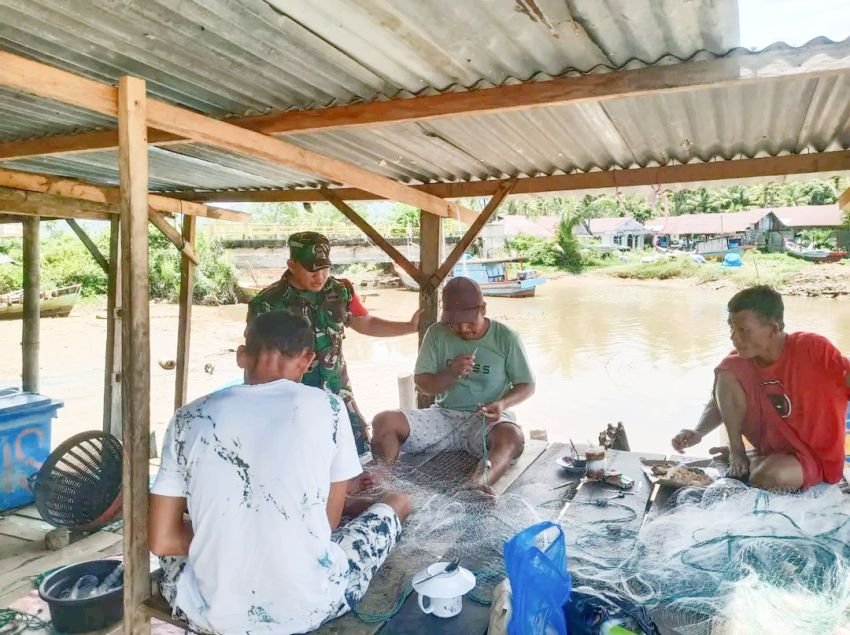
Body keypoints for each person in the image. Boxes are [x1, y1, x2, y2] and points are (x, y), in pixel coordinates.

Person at [150, 311, 412, 634]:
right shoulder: (329, 408)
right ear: (307, 359)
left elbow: (162, 540)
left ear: (241, 356)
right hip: (310, 606)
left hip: (212, 613)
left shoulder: (187, 418)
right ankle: (374, 505)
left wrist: (228, 538)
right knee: (398, 502)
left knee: (182, 535)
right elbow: (329, 524)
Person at [247, 231, 421, 454]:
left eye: (325, 267)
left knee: (356, 456)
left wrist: (408, 326)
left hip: (338, 394)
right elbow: (256, 360)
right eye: (312, 269)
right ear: (292, 264)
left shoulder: (340, 291)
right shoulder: (266, 304)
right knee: (297, 455)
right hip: (291, 399)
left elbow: (363, 322)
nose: (320, 276)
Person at [672, 285, 850, 490]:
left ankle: (752, 460)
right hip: (772, 451)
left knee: (769, 476)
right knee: (727, 369)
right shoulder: (739, 362)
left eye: (743, 330)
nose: (734, 337)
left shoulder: (812, 348)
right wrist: (698, 431)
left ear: (774, 329)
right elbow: (722, 401)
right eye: (731, 328)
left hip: (814, 458)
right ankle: (738, 453)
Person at [371, 277, 535, 495]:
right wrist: (451, 374)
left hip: (486, 421)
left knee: (512, 437)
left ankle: (478, 483)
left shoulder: (506, 337)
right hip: (443, 418)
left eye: (469, 322)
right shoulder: (436, 334)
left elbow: (527, 385)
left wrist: (502, 403)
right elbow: (423, 385)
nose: (462, 329)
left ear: (483, 309)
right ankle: (382, 480)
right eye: (454, 324)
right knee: (384, 420)